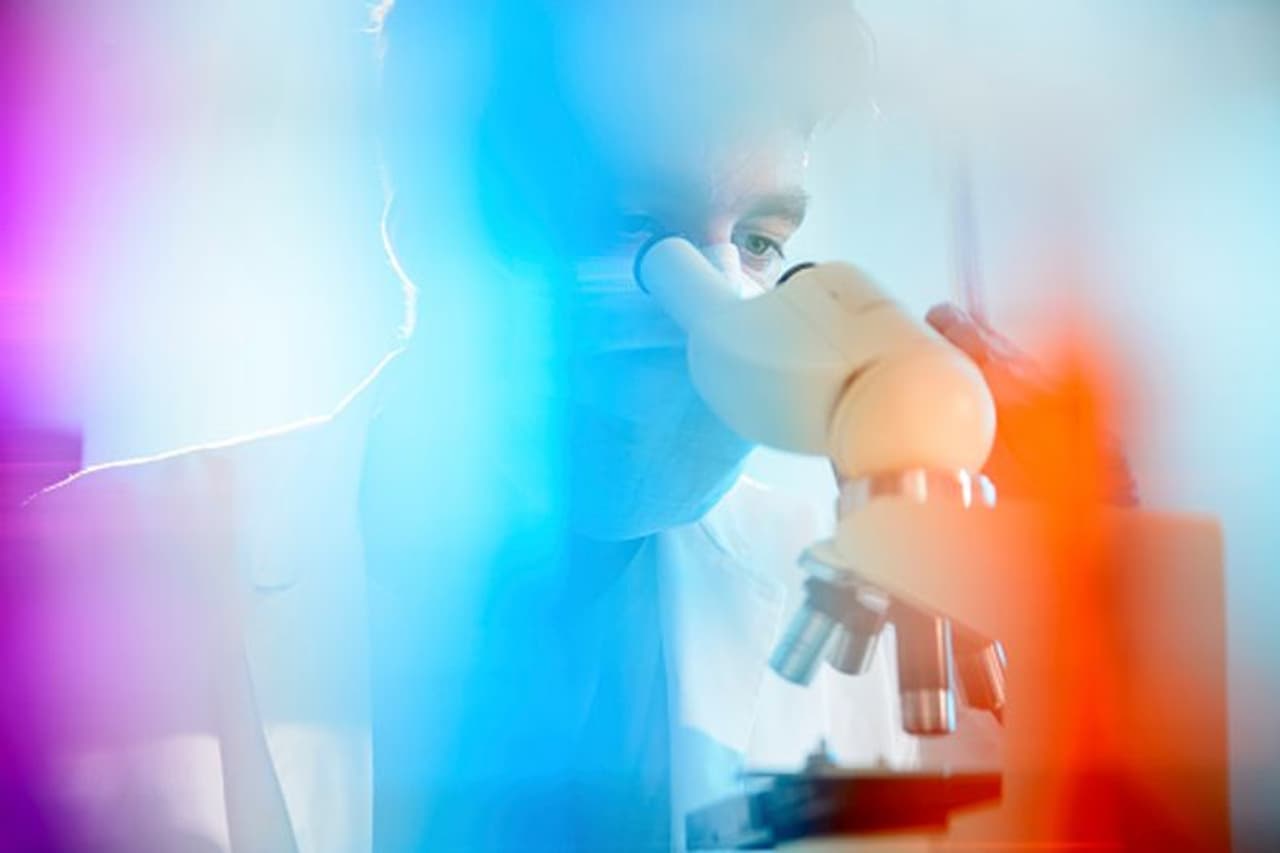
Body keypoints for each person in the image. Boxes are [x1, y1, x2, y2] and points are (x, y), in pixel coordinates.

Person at [17, 2, 1134, 851]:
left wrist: (1106, 636)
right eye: (625, 222)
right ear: (423, 197)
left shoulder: (889, 625)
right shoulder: (74, 585)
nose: (707, 308)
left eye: (758, 240)